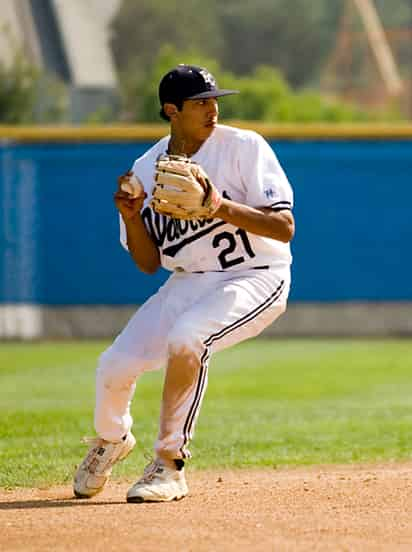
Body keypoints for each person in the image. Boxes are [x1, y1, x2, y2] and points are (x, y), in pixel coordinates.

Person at [73, 64, 295, 503]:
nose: (212, 109)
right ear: (171, 111)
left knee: (188, 338)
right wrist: (132, 217)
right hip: (188, 281)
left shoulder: (243, 147)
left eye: (214, 100)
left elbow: (284, 227)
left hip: (254, 274)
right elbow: (147, 263)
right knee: (114, 366)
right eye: (199, 103)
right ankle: (112, 439)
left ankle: (170, 466)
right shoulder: (146, 167)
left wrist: (217, 205)